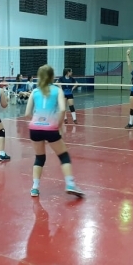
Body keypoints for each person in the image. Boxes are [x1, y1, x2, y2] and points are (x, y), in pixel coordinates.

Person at [25, 64, 83, 198]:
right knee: (63, 156)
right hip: (51, 127)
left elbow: (27, 113)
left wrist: (37, 120)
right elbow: (62, 110)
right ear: (52, 76)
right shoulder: (58, 90)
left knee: (39, 157)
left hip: (35, 128)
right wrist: (59, 125)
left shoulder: (34, 91)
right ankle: (70, 184)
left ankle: (35, 188)